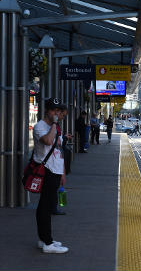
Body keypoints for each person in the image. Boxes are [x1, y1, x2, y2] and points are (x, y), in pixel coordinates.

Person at [33, 98, 69, 253]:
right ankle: (48, 243)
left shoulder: (56, 127)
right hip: (46, 171)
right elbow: (48, 141)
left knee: (45, 206)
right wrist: (54, 124)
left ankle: (44, 239)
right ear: (47, 111)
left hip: (55, 171)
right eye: (54, 110)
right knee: (46, 207)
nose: (57, 113)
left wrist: (62, 173)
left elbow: (58, 150)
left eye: (58, 111)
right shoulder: (40, 126)